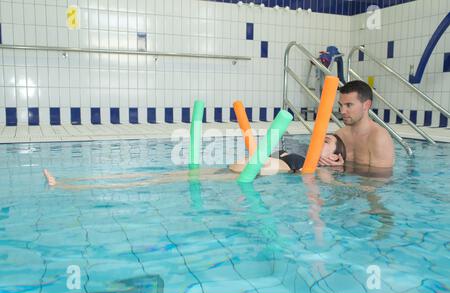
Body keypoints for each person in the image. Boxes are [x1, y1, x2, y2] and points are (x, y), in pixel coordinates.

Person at [43, 134, 346, 190]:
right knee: (157, 177)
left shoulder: (300, 162)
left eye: (327, 141)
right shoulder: (299, 158)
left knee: (154, 179)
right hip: (229, 171)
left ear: (334, 158)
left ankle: (69, 185)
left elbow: (262, 169)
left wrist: (241, 165)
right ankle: (70, 183)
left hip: (232, 175)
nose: (320, 140)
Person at [319, 80, 395, 168]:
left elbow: (379, 179)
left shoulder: (379, 138)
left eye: (349, 105)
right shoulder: (340, 135)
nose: (342, 111)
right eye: (341, 105)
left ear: (366, 105)